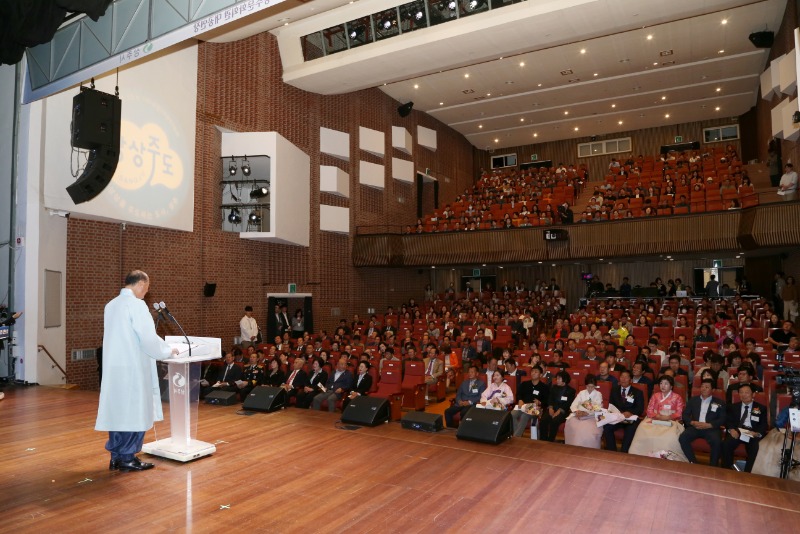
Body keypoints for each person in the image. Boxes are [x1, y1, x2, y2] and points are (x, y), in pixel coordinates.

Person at [95, 270, 179, 472]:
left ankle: (116, 457)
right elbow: (147, 338)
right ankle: (127, 457)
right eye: (147, 288)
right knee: (135, 413)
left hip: (115, 369)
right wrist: (168, 350)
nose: (146, 293)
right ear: (141, 284)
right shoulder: (137, 305)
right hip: (133, 368)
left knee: (118, 412)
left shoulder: (111, 305)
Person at [628, 375, 687, 461]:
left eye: (666, 384)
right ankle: (642, 453)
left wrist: (668, 417)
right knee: (642, 428)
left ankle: (666, 455)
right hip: (655, 419)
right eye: (661, 383)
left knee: (670, 436)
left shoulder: (677, 397)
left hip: (671, 421)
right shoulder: (655, 396)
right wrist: (657, 416)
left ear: (671, 386)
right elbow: (649, 410)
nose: (663, 386)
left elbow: (679, 413)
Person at [678, 379, 726, 466]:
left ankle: (713, 466)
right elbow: (685, 414)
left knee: (717, 441)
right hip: (695, 426)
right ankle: (693, 463)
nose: (703, 389)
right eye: (702, 386)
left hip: (710, 428)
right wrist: (692, 422)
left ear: (713, 390)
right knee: (682, 438)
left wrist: (709, 425)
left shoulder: (720, 402)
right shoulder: (693, 400)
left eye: (707, 387)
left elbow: (722, 419)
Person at [721, 384, 768, 472]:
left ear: (753, 394)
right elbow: (728, 421)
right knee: (726, 444)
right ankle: (726, 471)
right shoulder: (733, 407)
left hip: (752, 433)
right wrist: (731, 430)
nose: (744, 395)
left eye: (747, 392)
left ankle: (748, 472)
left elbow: (763, 424)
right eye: (741, 392)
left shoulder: (761, 408)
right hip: (737, 431)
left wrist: (757, 433)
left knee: (755, 447)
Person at [602, 370, 645, 453]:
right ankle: (612, 452)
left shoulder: (637, 392)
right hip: (617, 418)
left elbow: (640, 408)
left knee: (631, 429)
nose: (623, 379)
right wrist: (616, 413)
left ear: (631, 380)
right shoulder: (614, 390)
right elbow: (611, 405)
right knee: (607, 427)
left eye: (626, 377)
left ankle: (624, 452)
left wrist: (630, 412)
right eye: (622, 377)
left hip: (630, 419)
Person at [565, 374, 604, 449]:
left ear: (595, 386)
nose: (590, 388)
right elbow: (573, 405)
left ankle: (589, 449)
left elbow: (598, 408)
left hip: (592, 416)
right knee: (572, 426)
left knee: (588, 431)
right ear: (585, 385)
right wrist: (577, 411)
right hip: (579, 415)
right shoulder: (581, 393)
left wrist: (587, 413)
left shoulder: (598, 394)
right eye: (588, 386)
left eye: (592, 387)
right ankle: (573, 447)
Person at [511, 365, 549, 438]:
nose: (533, 373)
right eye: (532, 371)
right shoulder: (525, 384)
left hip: (536, 408)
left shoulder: (544, 387)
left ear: (541, 375)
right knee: (512, 414)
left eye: (536, 372)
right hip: (523, 406)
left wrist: (540, 402)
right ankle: (517, 434)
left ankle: (516, 437)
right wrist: (520, 399)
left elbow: (547, 401)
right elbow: (518, 394)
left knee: (524, 416)